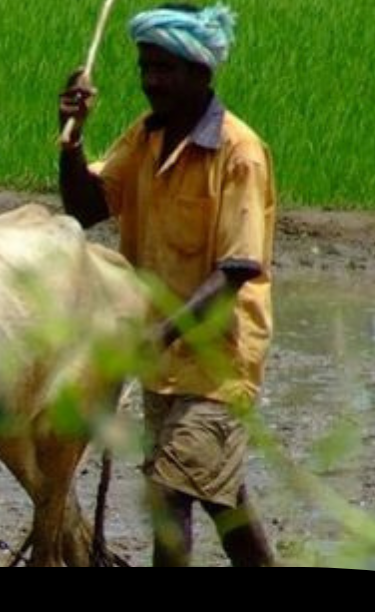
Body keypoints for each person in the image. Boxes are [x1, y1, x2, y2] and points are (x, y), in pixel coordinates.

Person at [57, 2, 276, 566]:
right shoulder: (145, 138)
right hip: (163, 357)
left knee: (170, 496)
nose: (151, 81)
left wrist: (159, 336)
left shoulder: (238, 153)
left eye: (165, 69)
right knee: (220, 499)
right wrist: (72, 139)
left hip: (216, 357)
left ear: (201, 72)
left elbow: (234, 271)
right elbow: (84, 208)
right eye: (145, 67)